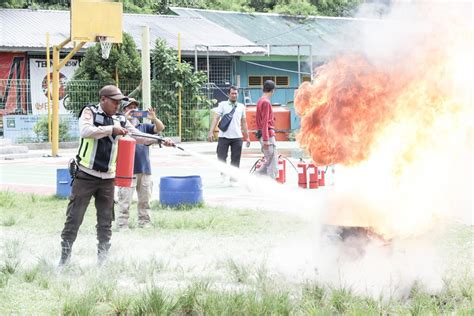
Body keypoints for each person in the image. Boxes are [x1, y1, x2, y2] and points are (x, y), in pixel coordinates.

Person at [58, 85, 174, 266]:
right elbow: (86, 131)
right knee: (74, 219)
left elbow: (138, 135)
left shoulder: (120, 118)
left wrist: (160, 140)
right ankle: (64, 261)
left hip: (107, 179)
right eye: (114, 101)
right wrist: (112, 129)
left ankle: (102, 263)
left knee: (105, 223)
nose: (118, 105)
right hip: (85, 176)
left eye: (120, 102)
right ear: (103, 99)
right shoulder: (90, 111)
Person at [116, 98, 165, 230]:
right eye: (129, 108)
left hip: (144, 169)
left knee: (145, 199)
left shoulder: (143, 127)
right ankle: (122, 224)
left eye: (135, 108)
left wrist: (154, 118)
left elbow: (160, 128)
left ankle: (144, 222)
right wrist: (123, 120)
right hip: (127, 170)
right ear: (123, 110)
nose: (133, 110)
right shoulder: (119, 128)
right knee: (125, 199)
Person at [207, 86, 250, 183]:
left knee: (235, 159)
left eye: (236, 93)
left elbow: (244, 122)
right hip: (223, 137)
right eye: (232, 93)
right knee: (221, 157)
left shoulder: (241, 106)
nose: (234, 95)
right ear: (228, 94)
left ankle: (233, 179)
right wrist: (211, 132)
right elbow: (216, 118)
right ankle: (223, 173)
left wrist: (247, 137)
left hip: (237, 137)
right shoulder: (222, 105)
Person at [255, 80, 278, 179]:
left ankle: (253, 179)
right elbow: (265, 122)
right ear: (273, 90)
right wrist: (266, 139)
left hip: (263, 134)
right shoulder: (266, 102)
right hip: (267, 135)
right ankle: (270, 186)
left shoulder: (260, 100)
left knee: (269, 161)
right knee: (273, 164)